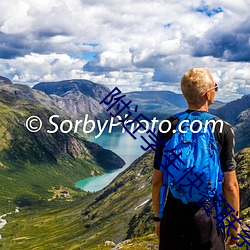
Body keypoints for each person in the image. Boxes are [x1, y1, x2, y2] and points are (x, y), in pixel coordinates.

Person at [152, 68, 240, 250]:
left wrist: (158, 218)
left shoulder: (168, 125)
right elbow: (230, 185)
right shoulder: (222, 129)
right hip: (208, 215)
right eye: (216, 87)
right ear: (208, 94)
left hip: (174, 212)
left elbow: (157, 181)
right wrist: (234, 225)